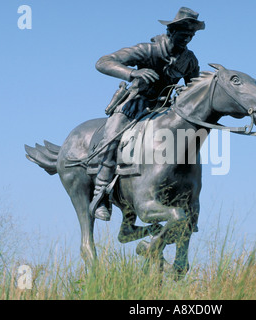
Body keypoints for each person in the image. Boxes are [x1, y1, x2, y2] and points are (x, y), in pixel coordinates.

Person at [90, 7, 205, 221]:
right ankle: (100, 196)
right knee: (112, 138)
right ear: (171, 32)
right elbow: (103, 62)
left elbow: (193, 92)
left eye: (192, 34)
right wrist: (132, 72)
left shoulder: (189, 60)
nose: (188, 38)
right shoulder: (148, 50)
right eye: (184, 33)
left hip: (164, 111)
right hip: (134, 106)